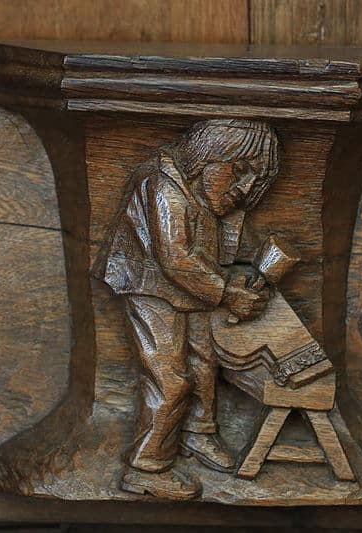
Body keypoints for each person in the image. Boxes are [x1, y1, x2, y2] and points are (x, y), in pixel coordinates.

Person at [94, 119, 280, 500]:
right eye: (240, 170)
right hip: (150, 287)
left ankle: (197, 432)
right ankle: (147, 466)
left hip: (190, 290)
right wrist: (226, 292)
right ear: (208, 156)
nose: (245, 188)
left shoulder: (205, 192)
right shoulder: (166, 188)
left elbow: (208, 251)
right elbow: (175, 258)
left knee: (204, 361)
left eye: (254, 179)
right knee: (170, 377)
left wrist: (231, 280)